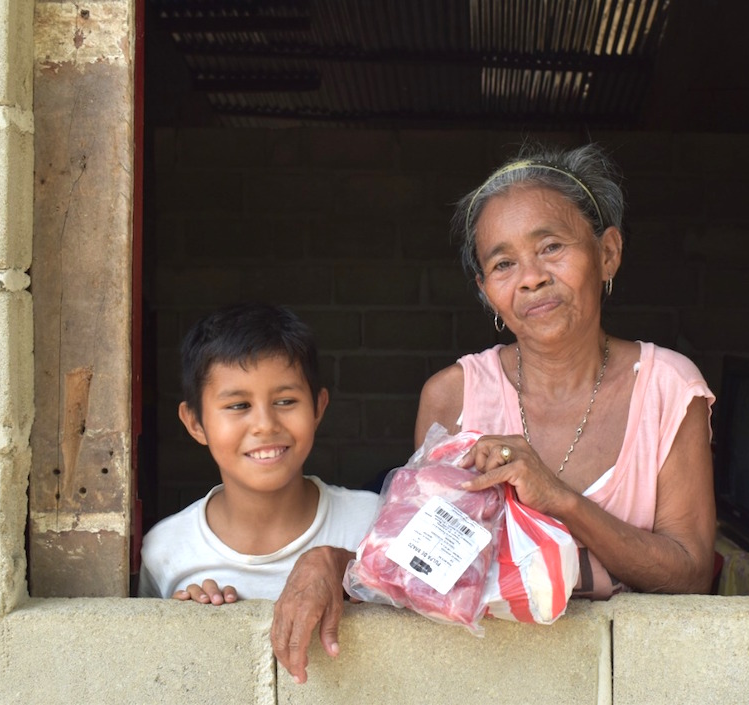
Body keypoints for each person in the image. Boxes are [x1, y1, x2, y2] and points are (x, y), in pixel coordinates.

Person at [271, 142, 717, 683]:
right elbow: (423, 575)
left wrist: (560, 500)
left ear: (608, 254)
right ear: (486, 292)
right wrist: (330, 561)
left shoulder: (669, 388)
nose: (530, 277)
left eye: (551, 247)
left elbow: (691, 571)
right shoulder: (453, 399)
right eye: (503, 263)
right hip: (486, 680)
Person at [138, 303, 380, 604]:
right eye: (239, 406)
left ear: (318, 407)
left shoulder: (373, 523)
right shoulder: (166, 550)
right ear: (196, 423)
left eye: (286, 401)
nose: (265, 425)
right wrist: (188, 628)